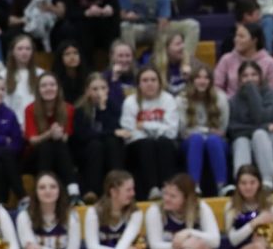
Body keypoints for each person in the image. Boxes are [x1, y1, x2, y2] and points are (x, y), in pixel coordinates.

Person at [120, 67, 180, 200]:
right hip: (137, 146)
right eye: (145, 80)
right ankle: (152, 189)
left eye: (153, 80)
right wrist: (156, 130)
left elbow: (171, 132)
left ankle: (167, 188)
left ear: (159, 82)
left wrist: (145, 125)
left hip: (163, 143)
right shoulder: (130, 102)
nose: (149, 83)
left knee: (163, 143)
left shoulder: (168, 99)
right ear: (139, 84)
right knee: (147, 144)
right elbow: (129, 132)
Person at [24, 73, 81, 202]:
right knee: (47, 145)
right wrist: (49, 133)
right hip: (35, 156)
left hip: (60, 154)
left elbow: (67, 137)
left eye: (52, 85)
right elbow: (32, 141)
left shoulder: (69, 108)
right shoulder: (30, 109)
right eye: (44, 86)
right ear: (38, 90)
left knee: (57, 144)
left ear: (58, 88)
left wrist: (59, 135)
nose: (48, 88)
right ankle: (65, 189)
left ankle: (72, 193)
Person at [228, 60, 273, 191]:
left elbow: (262, 118)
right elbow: (233, 129)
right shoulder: (233, 101)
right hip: (245, 144)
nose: (250, 79)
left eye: (253, 75)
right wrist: (263, 127)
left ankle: (267, 183)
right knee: (241, 140)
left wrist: (252, 91)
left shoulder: (272, 95)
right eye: (245, 76)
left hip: (271, 142)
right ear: (240, 79)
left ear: (260, 77)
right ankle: (242, 184)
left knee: (259, 135)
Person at [72, 73, 126, 202]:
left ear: (108, 89)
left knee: (112, 142)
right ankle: (92, 191)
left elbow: (115, 128)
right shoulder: (80, 109)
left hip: (108, 147)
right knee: (96, 145)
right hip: (87, 149)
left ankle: (117, 186)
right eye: (95, 89)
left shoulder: (113, 107)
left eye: (103, 88)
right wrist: (110, 133)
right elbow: (84, 135)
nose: (99, 92)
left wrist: (103, 109)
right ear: (87, 91)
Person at [178, 65, 230, 196]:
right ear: (192, 80)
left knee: (213, 140)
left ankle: (221, 186)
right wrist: (206, 130)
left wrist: (200, 131)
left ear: (211, 81)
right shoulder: (181, 99)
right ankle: (194, 186)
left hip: (216, 141)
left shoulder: (221, 98)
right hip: (190, 142)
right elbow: (182, 131)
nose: (202, 81)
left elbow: (222, 129)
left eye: (206, 78)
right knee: (196, 139)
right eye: (198, 77)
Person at [214, 23, 273, 97]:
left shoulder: (270, 63)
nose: (236, 39)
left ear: (254, 40)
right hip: (231, 104)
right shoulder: (226, 59)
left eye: (241, 37)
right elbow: (216, 86)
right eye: (236, 36)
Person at [0, 75, 22, 205]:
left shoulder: (9, 114)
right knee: (5, 153)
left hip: (1, 159)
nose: (0, 92)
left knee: (0, 165)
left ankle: (0, 206)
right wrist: (1, 139)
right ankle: (22, 195)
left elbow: (17, 144)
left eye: (2, 89)